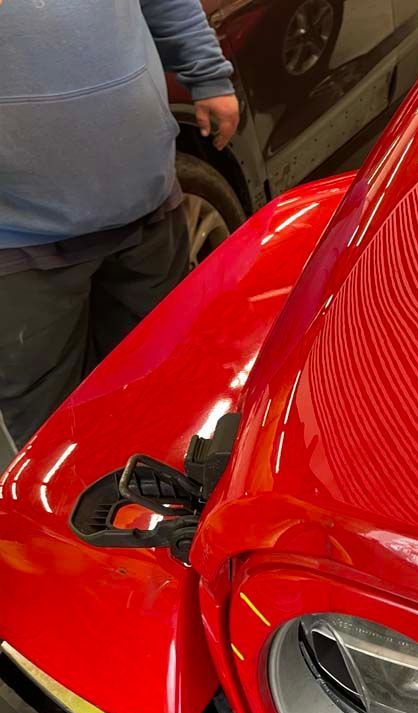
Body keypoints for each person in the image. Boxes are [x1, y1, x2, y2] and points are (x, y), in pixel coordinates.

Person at [0, 1, 240, 466]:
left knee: (165, 386)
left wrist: (208, 75)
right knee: (52, 440)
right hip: (20, 241)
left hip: (144, 201)